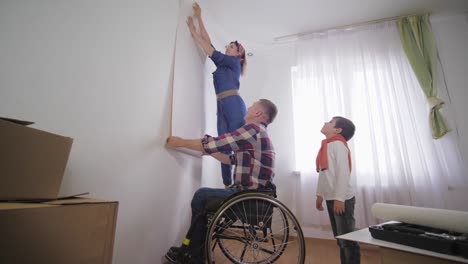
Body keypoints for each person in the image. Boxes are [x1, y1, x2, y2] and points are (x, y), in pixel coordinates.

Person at [164, 99, 278, 264]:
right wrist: (208, 152)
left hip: (246, 195)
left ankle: (194, 255)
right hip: (255, 194)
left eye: (253, 105)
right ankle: (193, 250)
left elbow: (219, 143)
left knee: (201, 195)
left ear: (258, 113)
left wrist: (180, 142)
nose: (249, 107)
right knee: (205, 198)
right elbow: (230, 159)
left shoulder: (253, 129)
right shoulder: (260, 134)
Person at [187, 2, 247, 187]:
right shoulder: (224, 63)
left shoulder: (233, 63)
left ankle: (242, 182)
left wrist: (192, 30)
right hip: (222, 105)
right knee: (222, 145)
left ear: (238, 54)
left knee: (236, 144)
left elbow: (208, 48)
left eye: (231, 47)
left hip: (233, 103)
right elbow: (209, 43)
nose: (227, 48)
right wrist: (199, 17)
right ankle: (227, 185)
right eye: (227, 46)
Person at [315, 116, 360, 264]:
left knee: (348, 239)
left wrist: (339, 198)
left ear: (337, 130)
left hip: (342, 199)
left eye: (330, 122)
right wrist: (320, 195)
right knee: (340, 239)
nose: (325, 122)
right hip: (331, 198)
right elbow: (323, 173)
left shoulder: (338, 145)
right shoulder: (327, 145)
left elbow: (343, 172)